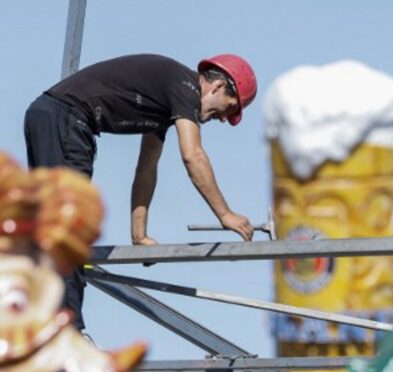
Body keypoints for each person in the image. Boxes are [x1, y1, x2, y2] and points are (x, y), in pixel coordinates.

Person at [24, 53, 258, 330]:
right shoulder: (185, 87)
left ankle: (51, 321)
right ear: (219, 87)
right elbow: (193, 155)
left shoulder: (165, 102)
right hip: (65, 119)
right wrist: (225, 214)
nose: (223, 119)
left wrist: (140, 235)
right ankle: (65, 331)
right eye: (229, 109)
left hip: (58, 119)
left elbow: (146, 169)